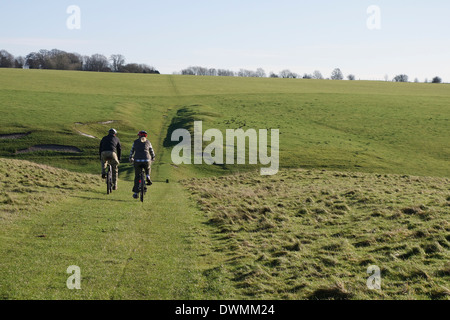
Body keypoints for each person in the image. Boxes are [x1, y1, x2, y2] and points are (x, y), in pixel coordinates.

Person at [129, 130, 156, 199]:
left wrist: (131, 158)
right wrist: (153, 157)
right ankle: (148, 176)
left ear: (139, 136)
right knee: (148, 168)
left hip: (137, 160)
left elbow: (132, 151)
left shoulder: (135, 142)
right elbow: (151, 151)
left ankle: (136, 193)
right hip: (146, 160)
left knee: (137, 176)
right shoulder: (148, 142)